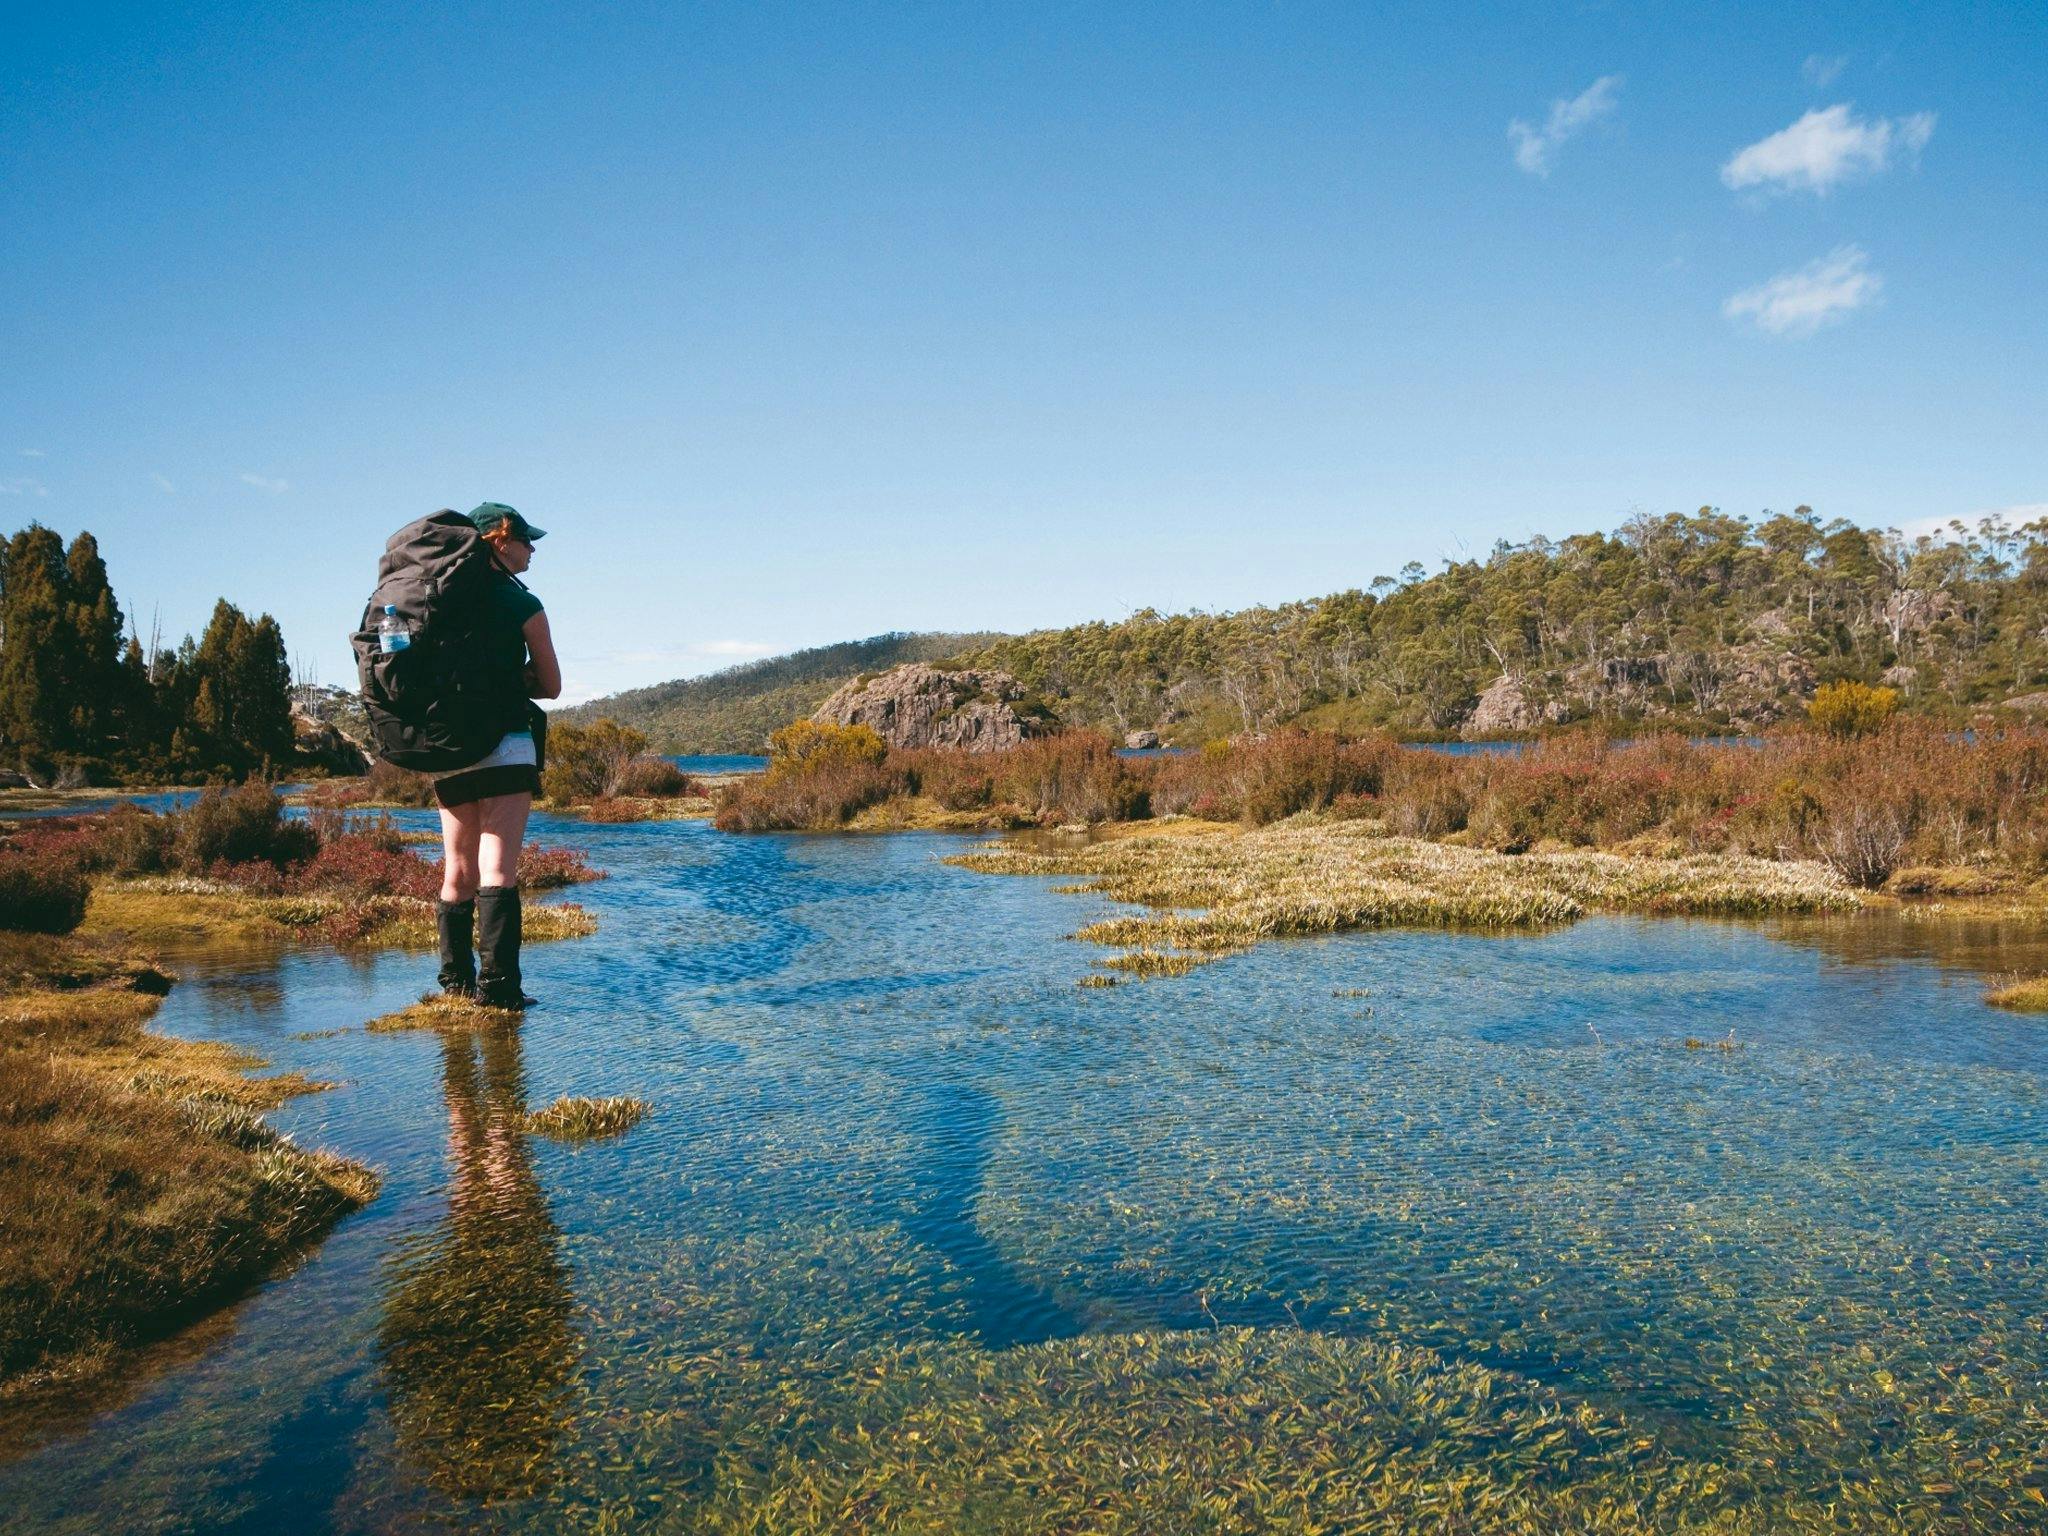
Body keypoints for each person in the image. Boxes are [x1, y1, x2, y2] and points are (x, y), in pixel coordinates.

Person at [431, 502, 561, 1010]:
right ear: (499, 540)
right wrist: (518, 678)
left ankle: (455, 987)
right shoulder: (519, 603)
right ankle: (501, 990)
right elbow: (550, 686)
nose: (532, 550)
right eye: (526, 541)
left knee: (456, 869)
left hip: (447, 752)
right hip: (506, 743)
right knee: (498, 869)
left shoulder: (436, 599)